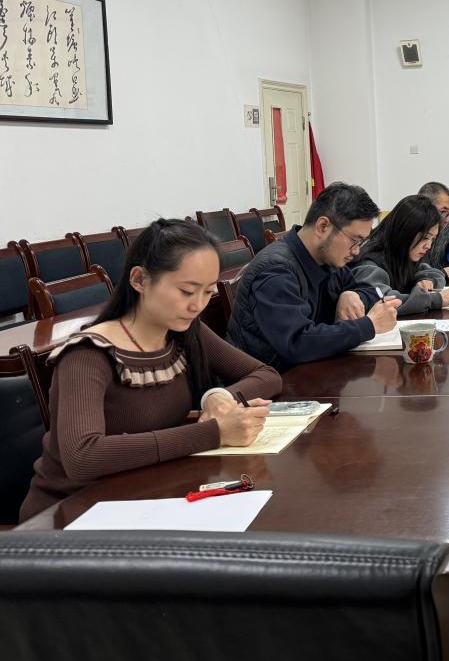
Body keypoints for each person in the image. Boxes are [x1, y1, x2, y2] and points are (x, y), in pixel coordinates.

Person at [20, 220, 282, 519]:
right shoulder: (88, 354)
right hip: (74, 512)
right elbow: (83, 456)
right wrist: (214, 433)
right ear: (140, 280)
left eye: (208, 292)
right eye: (186, 291)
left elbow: (266, 375)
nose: (197, 305)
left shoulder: (184, 331)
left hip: (147, 492)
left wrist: (217, 396)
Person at [227, 182, 401, 371]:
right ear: (323, 226)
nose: (357, 251)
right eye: (354, 241)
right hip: (267, 382)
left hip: (312, 373)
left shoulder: (328, 259)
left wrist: (352, 294)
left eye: (361, 243)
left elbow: (371, 292)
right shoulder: (276, 270)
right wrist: (369, 326)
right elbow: (298, 343)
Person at [352, 195, 449, 315]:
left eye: (433, 239)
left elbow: (430, 271)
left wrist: (425, 280)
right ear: (405, 231)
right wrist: (435, 299)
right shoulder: (369, 264)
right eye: (425, 237)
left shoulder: (403, 254)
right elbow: (385, 302)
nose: (428, 246)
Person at [418, 181, 449, 284]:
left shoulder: (435, 234)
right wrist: (443, 273)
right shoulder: (413, 235)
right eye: (443, 212)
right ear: (425, 207)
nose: (447, 220)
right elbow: (414, 280)